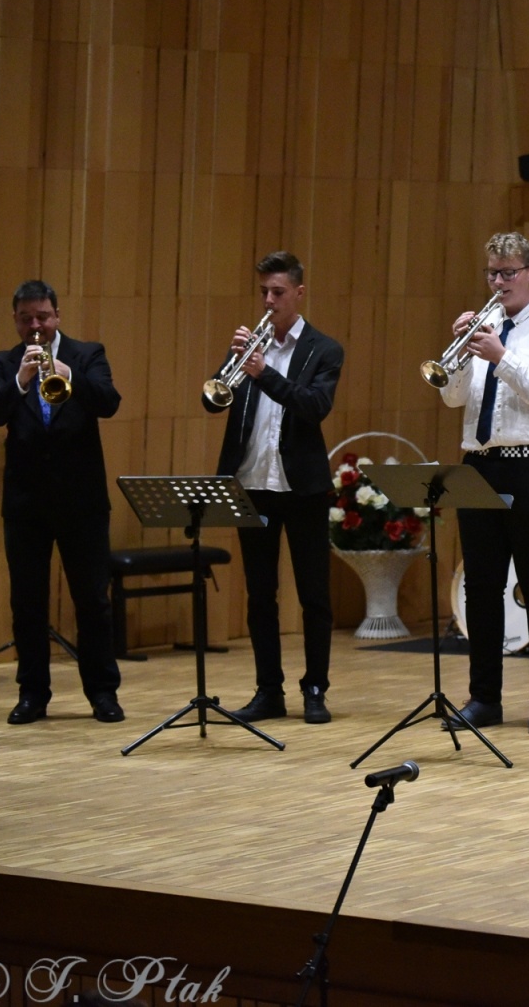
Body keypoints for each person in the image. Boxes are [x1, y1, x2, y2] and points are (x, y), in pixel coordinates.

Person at [440, 232, 529, 735]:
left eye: (508, 273)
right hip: (481, 464)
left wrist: (501, 356)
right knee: (480, 586)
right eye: (492, 274)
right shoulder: (484, 327)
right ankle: (484, 698)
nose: (499, 283)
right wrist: (459, 353)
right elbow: (455, 400)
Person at [204, 252, 343, 725]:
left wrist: (265, 374)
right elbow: (212, 400)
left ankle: (316, 688)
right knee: (260, 595)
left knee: (313, 595)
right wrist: (231, 366)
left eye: (277, 293)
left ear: (299, 294)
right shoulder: (249, 348)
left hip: (301, 487)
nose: (268, 301)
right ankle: (269, 691)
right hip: (252, 485)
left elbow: (313, 406)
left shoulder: (324, 350)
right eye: (264, 291)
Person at [0, 280, 124, 725]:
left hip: (81, 503)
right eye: (26, 319)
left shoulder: (87, 354)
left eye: (42, 317)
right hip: (26, 504)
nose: (35, 326)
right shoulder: (4, 363)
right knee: (27, 601)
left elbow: (109, 404)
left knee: (92, 602)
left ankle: (102, 693)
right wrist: (22, 381)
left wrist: (69, 374)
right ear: (16, 320)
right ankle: (32, 694)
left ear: (57, 315)